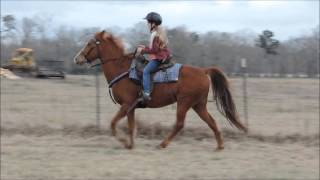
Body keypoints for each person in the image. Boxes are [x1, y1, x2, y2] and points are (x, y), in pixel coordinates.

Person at [136, 12, 171, 101]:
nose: (147, 24)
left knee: (146, 71)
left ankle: (146, 93)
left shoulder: (155, 35)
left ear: (153, 24)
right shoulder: (156, 34)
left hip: (158, 59)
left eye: (148, 22)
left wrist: (142, 51)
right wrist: (144, 47)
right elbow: (153, 48)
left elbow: (154, 51)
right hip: (159, 57)